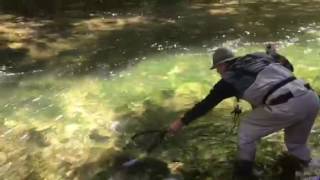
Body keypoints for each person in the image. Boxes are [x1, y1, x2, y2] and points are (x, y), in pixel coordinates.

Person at [168, 46, 320, 179]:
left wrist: (181, 122)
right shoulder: (258, 56)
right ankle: (313, 171)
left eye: (217, 69)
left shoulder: (228, 81)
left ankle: (244, 173)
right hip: (310, 98)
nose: (218, 73)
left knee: (246, 131)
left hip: (287, 106)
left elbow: (206, 104)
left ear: (222, 65)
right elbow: (289, 67)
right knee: (296, 145)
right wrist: (273, 53)